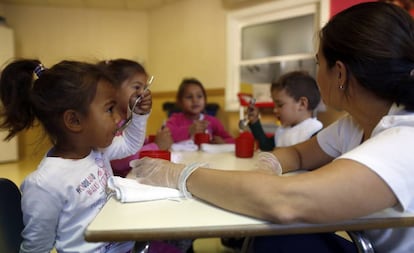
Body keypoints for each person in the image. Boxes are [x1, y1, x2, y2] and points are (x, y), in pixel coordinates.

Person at [128, 2, 414, 252]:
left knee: (273, 237)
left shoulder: (404, 139)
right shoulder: (353, 125)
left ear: (339, 72)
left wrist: (180, 174)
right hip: (362, 240)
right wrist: (270, 164)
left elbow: (285, 202)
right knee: (268, 237)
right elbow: (299, 155)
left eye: (318, 62)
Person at [0, 59, 152, 253]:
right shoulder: (45, 184)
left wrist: (138, 114)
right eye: (109, 109)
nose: (116, 118)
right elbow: (36, 248)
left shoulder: (96, 150)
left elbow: (130, 143)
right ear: (74, 120)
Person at [98, 59, 173, 178]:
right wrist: (156, 146)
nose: (142, 93)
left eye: (144, 88)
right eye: (137, 87)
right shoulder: (108, 124)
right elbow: (120, 162)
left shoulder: (124, 120)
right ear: (113, 89)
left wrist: (149, 141)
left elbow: (131, 143)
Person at [247, 71, 323, 151]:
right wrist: (255, 121)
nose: (275, 110)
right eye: (274, 105)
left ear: (302, 104)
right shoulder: (283, 130)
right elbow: (266, 146)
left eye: (280, 105)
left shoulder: (315, 132)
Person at [166, 77, 234, 144]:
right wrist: (188, 130)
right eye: (189, 97)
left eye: (199, 96)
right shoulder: (175, 120)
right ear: (180, 102)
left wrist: (224, 142)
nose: (195, 100)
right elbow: (166, 136)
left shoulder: (213, 122)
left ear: (205, 100)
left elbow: (231, 140)